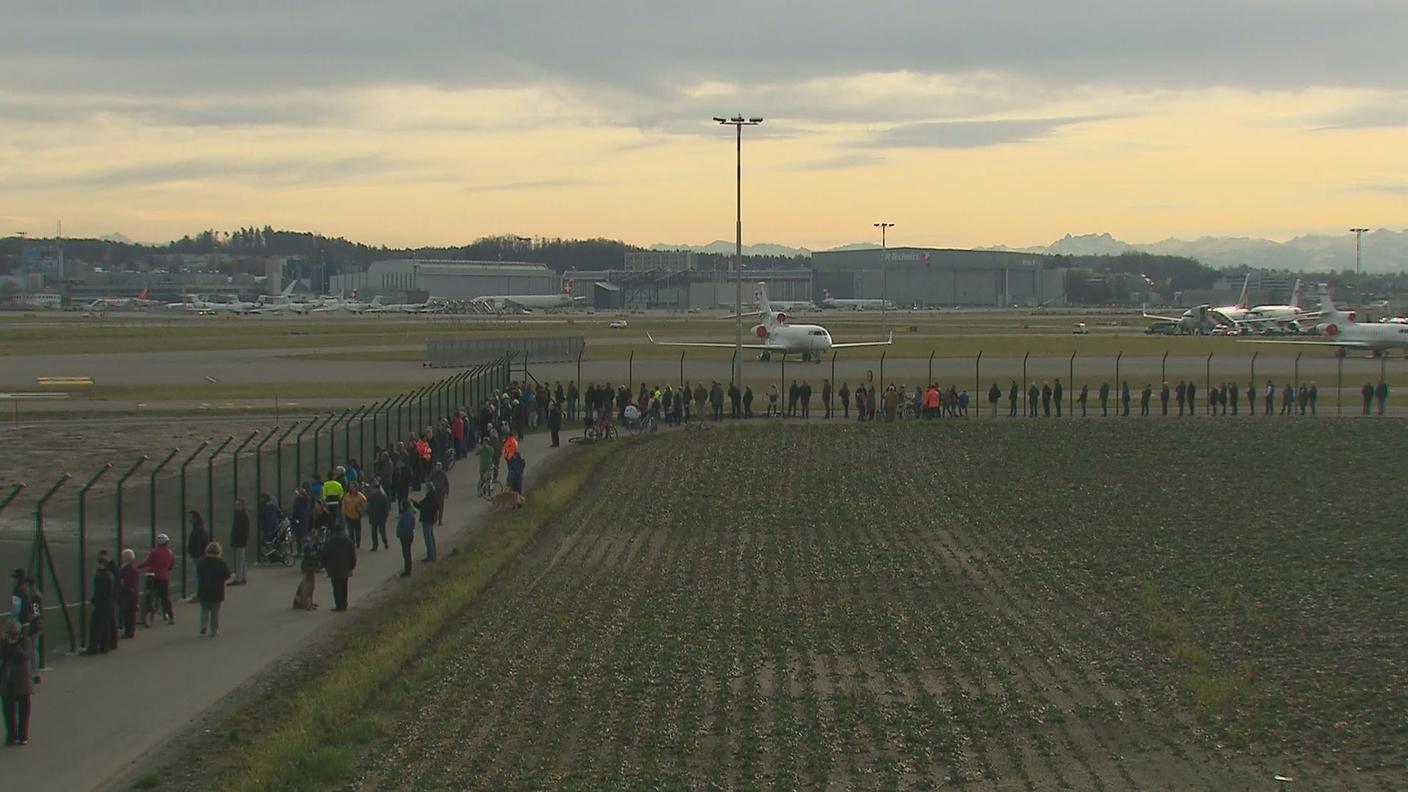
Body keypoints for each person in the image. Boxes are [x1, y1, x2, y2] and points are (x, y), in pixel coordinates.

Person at [2, 619, 34, 746]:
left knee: (24, 711)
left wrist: (14, 644)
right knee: (8, 711)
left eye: (14, 633)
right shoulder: (3, 643)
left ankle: (22, 735)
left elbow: (24, 657)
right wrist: (6, 643)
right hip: (7, 681)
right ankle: (11, 735)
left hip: (22, 682)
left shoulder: (25, 641)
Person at [83, 551, 118, 655]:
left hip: (102, 604)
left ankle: (93, 648)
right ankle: (104, 646)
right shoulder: (109, 575)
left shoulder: (102, 577)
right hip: (107, 604)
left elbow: (100, 592)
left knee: (96, 627)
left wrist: (95, 600)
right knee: (105, 625)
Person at [139, 535, 176, 625]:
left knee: (150, 596)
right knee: (165, 598)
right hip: (164, 578)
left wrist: (139, 566)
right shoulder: (170, 553)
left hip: (153, 577)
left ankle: (145, 616)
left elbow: (148, 562)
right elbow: (171, 565)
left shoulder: (154, 552)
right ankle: (170, 616)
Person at [195, 542, 229, 637]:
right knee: (215, 612)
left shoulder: (202, 562)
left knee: (204, 610)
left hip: (204, 589)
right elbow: (227, 575)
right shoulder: (221, 563)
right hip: (217, 591)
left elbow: (199, 573)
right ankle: (214, 630)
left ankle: (203, 625)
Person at [322, 526, 357, 612]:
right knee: (344, 587)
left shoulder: (329, 542)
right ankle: (344, 604)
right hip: (345, 568)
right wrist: (352, 566)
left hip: (333, 568)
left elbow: (324, 555)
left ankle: (338, 605)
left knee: (336, 588)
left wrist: (325, 565)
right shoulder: (348, 541)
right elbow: (353, 555)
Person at [116, 549, 140, 639]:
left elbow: (128, 583)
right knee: (128, 614)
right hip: (129, 594)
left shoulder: (129, 569)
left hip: (128, 594)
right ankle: (128, 631)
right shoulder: (130, 567)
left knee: (128, 614)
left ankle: (129, 632)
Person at [185, 511, 208, 600]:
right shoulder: (199, 528)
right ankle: (200, 594)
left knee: (198, 577)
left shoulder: (198, 529)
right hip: (198, 555)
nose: (189, 519)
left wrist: (195, 553)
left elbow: (200, 542)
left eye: (190, 517)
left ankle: (199, 595)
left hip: (198, 556)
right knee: (199, 576)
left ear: (195, 518)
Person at [229, 499, 250, 585]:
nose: (236, 506)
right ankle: (243, 577)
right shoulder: (241, 516)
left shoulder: (242, 517)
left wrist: (238, 540)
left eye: (237, 505)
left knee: (239, 560)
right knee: (242, 559)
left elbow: (241, 531)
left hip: (239, 542)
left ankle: (238, 579)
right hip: (240, 541)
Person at [417, 484, 440, 563]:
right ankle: (433, 554)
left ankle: (430, 556)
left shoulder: (429, 498)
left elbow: (422, 506)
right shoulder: (434, 496)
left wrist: (415, 504)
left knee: (428, 539)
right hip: (431, 519)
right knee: (431, 537)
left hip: (427, 519)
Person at [395, 500, 417, 577]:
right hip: (407, 536)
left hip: (406, 536)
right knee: (406, 553)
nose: (400, 507)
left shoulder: (407, 514)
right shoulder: (407, 513)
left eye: (401, 505)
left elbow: (407, 527)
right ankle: (407, 569)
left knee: (406, 553)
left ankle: (408, 570)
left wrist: (401, 534)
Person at [341, 484, 366, 549]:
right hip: (348, 516)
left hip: (357, 516)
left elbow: (364, 506)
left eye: (353, 487)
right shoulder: (347, 496)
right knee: (350, 531)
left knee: (357, 531)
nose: (352, 488)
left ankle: (358, 543)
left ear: (356, 488)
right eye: (351, 487)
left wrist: (361, 510)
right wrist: (343, 512)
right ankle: (352, 543)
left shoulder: (361, 496)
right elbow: (343, 504)